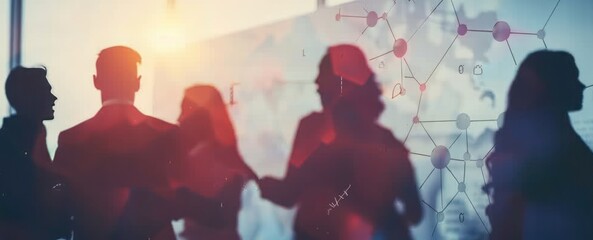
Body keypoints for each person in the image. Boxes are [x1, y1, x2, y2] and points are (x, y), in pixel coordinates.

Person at [53, 46, 222, 240]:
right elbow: (183, 197)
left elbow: (60, 207)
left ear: (96, 82)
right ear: (137, 83)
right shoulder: (167, 134)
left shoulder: (71, 138)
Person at [259, 45, 422, 240]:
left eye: (323, 75)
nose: (316, 82)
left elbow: (288, 195)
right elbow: (415, 213)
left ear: (342, 84)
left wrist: (255, 180)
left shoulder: (311, 130)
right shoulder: (388, 143)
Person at [484, 50, 593, 240]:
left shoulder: (551, 143)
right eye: (573, 78)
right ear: (554, 86)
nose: (582, 86)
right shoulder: (549, 152)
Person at [174, 85, 257, 240]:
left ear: (199, 115)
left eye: (184, 110)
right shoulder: (231, 159)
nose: (179, 118)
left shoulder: (198, 158)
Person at [0, 66, 69, 239]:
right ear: (30, 98)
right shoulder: (17, 148)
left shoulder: (25, 139)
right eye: (47, 92)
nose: (54, 98)